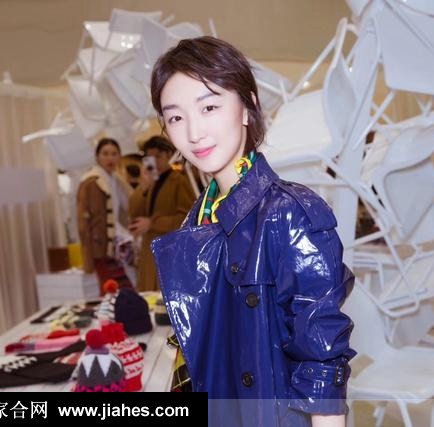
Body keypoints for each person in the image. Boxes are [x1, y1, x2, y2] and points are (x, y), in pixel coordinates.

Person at [150, 37, 355, 426]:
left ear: (247, 106)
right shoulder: (199, 217)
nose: (194, 132)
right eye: (175, 117)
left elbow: (322, 359)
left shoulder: (288, 212)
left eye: (209, 107)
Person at [128, 135, 195, 292]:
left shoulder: (179, 181)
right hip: (149, 252)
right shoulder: (150, 183)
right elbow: (133, 213)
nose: (154, 162)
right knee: (150, 296)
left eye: (158, 156)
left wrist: (152, 223)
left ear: (169, 156)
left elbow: (187, 218)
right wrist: (142, 189)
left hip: (170, 250)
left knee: (167, 295)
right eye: (150, 157)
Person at [77, 138, 134, 291]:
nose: (110, 158)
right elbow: (83, 222)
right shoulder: (91, 182)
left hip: (117, 244)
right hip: (100, 247)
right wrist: (88, 255)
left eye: (114, 154)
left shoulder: (117, 180)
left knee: (121, 289)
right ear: (97, 157)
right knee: (111, 289)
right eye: (105, 154)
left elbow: (128, 207)